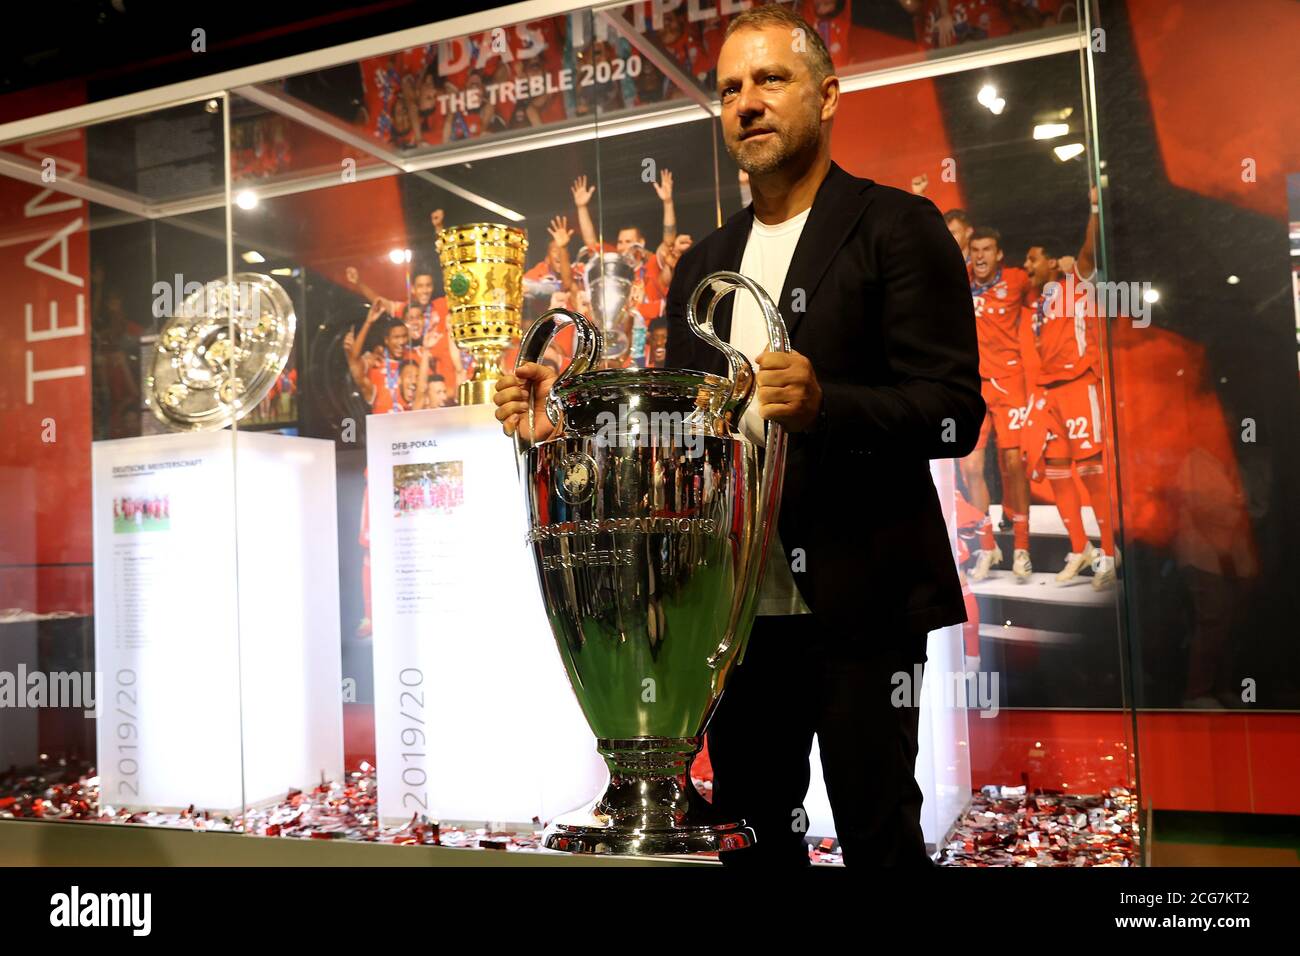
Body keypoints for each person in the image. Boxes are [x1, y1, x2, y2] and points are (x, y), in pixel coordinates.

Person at [495, 4, 982, 867]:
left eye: (770, 80)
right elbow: (678, 453)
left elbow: (952, 410)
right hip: (730, 613)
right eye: (728, 89)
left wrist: (829, 402)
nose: (746, 103)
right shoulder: (701, 265)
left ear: (827, 97)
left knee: (879, 834)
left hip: (861, 599)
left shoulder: (897, 228)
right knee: (749, 839)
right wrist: (560, 432)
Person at [1021, 188, 1116, 589]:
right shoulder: (1036, 300)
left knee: (1093, 473)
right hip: (1050, 394)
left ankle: (1111, 553)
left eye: (1032, 258)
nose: (1026, 265)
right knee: (1057, 472)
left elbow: (1091, 250)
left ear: (1052, 261)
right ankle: (1081, 548)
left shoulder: (1076, 279)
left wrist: (1094, 206)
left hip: (1079, 386)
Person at [962, 225, 1034, 582]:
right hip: (975, 387)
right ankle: (988, 545)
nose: (980, 256)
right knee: (971, 467)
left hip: (1011, 384)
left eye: (987, 249)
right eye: (975, 250)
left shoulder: (1019, 280)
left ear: (999, 254)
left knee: (1013, 463)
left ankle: (1021, 547)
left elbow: (1047, 291)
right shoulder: (960, 279)